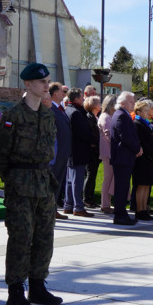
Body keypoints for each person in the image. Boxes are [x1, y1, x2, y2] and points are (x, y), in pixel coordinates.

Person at [0, 63, 62, 305]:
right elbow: (0, 156)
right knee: (21, 238)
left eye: (47, 81)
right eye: (42, 82)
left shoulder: (46, 114)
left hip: (43, 182)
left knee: (45, 237)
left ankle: (38, 285)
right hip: (21, 184)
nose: (46, 86)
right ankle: (15, 289)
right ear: (28, 85)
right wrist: (14, 180)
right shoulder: (13, 115)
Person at [63, 88, 97, 218]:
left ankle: (68, 205)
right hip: (78, 149)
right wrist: (93, 140)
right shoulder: (76, 113)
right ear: (76, 99)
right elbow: (82, 132)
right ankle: (78, 207)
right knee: (77, 179)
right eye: (82, 97)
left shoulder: (69, 110)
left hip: (71, 150)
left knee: (70, 179)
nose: (84, 99)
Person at [110, 91, 141, 225]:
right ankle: (120, 215)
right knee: (121, 188)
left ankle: (122, 214)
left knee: (123, 187)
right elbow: (126, 137)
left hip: (125, 157)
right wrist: (137, 148)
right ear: (122, 103)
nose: (133, 104)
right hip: (122, 158)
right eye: (131, 102)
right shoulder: (120, 116)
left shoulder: (124, 115)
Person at [132, 99, 153, 221]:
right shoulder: (137, 124)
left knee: (146, 186)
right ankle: (139, 210)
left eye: (147, 110)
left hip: (151, 160)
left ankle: (144, 209)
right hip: (143, 160)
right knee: (141, 186)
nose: (147, 112)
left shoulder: (148, 123)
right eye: (144, 110)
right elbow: (143, 143)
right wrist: (152, 156)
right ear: (138, 111)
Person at [48, 82, 71, 219]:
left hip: (63, 152)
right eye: (62, 92)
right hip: (56, 153)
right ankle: (50, 209)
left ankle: (53, 207)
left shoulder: (60, 109)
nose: (64, 95)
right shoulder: (51, 109)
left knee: (58, 181)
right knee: (53, 181)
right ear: (56, 94)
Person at [98, 94, 117, 214]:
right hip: (108, 153)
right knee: (108, 179)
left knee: (111, 179)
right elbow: (108, 135)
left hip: (112, 152)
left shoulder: (110, 116)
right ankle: (105, 204)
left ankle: (107, 203)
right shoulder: (105, 117)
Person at [82, 96, 102, 209]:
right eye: (98, 103)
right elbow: (91, 134)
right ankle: (86, 199)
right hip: (91, 151)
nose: (100, 104)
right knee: (90, 175)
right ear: (93, 105)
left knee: (92, 175)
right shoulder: (89, 118)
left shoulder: (95, 117)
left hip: (96, 151)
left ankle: (90, 198)